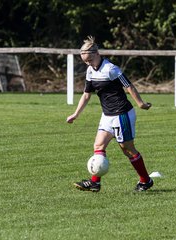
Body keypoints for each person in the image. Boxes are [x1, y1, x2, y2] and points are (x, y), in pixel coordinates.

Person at [66, 36, 154, 192]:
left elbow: (129, 86)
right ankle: (95, 183)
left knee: (127, 149)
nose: (88, 64)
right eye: (85, 62)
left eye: (89, 60)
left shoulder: (111, 69)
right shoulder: (90, 71)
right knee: (98, 145)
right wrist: (75, 114)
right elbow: (87, 95)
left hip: (122, 114)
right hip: (107, 115)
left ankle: (145, 180)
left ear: (96, 54)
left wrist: (140, 104)